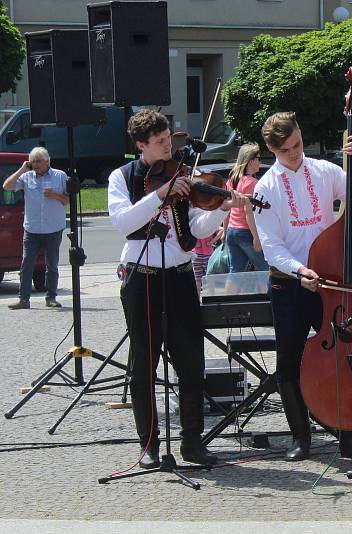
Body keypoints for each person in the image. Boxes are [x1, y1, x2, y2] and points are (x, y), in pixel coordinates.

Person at [108, 109, 247, 468]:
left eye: (169, 138)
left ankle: (192, 443)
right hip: (143, 277)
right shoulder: (121, 177)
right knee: (143, 366)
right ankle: (149, 445)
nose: (168, 146)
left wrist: (222, 209)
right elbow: (124, 222)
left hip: (181, 275)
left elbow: (197, 229)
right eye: (159, 142)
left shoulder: (184, 176)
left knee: (191, 364)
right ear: (141, 145)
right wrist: (161, 195)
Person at [253, 111, 352, 461]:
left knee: (344, 358)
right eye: (286, 150)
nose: (295, 153)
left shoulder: (325, 171)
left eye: (297, 144)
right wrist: (298, 270)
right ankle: (301, 438)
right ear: (271, 149)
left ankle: (348, 436)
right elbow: (271, 246)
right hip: (290, 284)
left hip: (330, 283)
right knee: (289, 363)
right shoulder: (265, 187)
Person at [3, 147, 68, 310]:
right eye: (33, 161)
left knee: (51, 265)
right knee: (26, 264)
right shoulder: (26, 177)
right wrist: (21, 169)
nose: (36, 164)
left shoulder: (59, 176)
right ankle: (23, 299)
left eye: (39, 161)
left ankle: (51, 297)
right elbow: (7, 186)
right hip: (32, 229)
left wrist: (55, 196)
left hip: (53, 228)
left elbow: (68, 200)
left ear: (47, 161)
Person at [223, 143, 269, 273]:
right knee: (264, 269)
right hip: (246, 232)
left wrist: (225, 231)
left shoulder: (232, 180)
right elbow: (249, 212)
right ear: (251, 160)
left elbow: (227, 209)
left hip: (232, 231)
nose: (260, 162)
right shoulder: (253, 183)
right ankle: (265, 294)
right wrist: (256, 237)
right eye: (259, 158)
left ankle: (229, 294)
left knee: (235, 271)